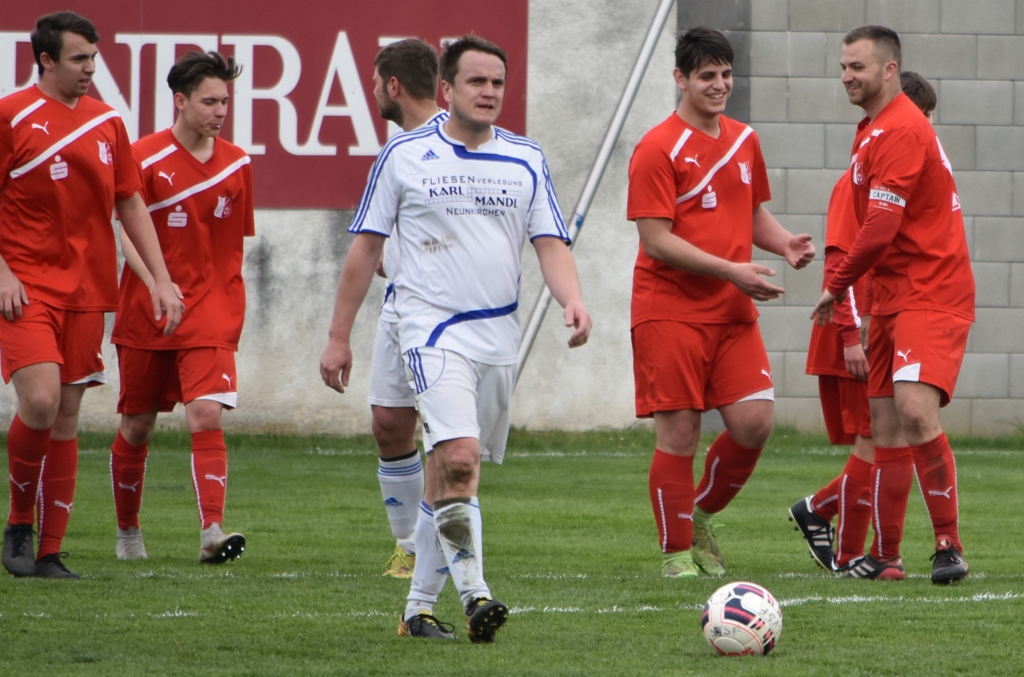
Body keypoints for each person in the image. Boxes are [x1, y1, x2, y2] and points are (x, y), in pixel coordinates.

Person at [320, 34, 591, 642]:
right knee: (461, 458)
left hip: (497, 337)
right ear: (446, 89)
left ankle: (417, 611)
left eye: (497, 82)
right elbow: (365, 249)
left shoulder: (525, 158)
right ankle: (476, 596)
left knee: (452, 471)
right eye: (476, 81)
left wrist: (572, 298)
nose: (489, 92)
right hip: (429, 329)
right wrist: (339, 337)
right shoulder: (404, 155)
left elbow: (550, 242)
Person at [626, 26, 815, 579]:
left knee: (754, 423)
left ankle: (700, 515)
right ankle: (675, 555)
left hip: (731, 311)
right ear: (680, 79)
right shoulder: (656, 147)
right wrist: (732, 270)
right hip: (669, 310)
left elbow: (748, 211)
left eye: (726, 74)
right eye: (707, 75)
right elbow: (655, 240)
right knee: (680, 433)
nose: (719, 85)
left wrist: (784, 242)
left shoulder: (744, 139)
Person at [0, 11, 182, 579]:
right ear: (45, 60)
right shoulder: (10, 115)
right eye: (78, 59)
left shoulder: (108, 123)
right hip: (25, 287)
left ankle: (50, 552)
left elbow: (130, 201)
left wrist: (160, 278)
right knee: (40, 401)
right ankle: (19, 524)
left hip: (86, 290)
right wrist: (2, 271)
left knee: (66, 415)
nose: (90, 69)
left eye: (94, 58)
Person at [811, 26, 974, 585]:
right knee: (883, 427)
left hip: (932, 289)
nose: (846, 76)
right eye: (842, 67)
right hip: (890, 295)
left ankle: (949, 546)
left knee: (913, 409)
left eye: (857, 66)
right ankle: (885, 555)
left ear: (889, 70)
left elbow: (880, 227)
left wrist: (837, 285)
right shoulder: (871, 130)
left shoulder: (902, 126)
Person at [108, 51, 253, 564]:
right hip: (147, 307)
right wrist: (157, 284)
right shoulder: (141, 157)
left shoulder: (238, 163)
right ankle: (128, 532)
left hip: (212, 307)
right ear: (180, 101)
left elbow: (231, 242)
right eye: (210, 101)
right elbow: (127, 232)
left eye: (225, 102)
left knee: (207, 412)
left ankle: (211, 531)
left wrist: (224, 299)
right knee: (137, 426)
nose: (220, 111)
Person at [790, 71, 937, 574]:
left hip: (881, 325)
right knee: (875, 441)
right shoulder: (857, 180)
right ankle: (850, 548)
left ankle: (827, 519)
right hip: (855, 329)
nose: (927, 133)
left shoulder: (899, 178)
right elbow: (841, 261)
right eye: (922, 120)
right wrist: (852, 335)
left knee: (882, 441)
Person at [362, 39, 448, 580]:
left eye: (375, 83)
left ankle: (438, 550)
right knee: (389, 423)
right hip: (398, 303)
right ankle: (408, 545)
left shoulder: (455, 141)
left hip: (443, 314)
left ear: (393, 86)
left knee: (446, 437)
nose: (372, 92)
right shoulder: (396, 148)